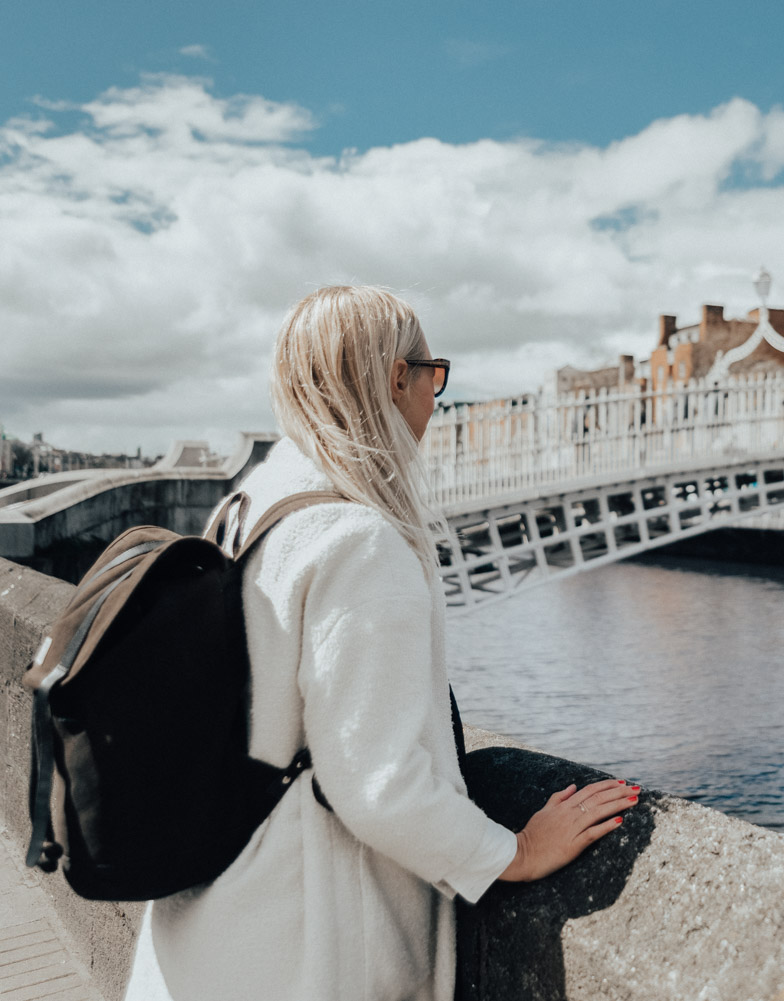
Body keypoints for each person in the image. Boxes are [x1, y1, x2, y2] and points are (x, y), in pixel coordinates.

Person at [124, 286, 637, 1001]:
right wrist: (513, 851)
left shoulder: (252, 502)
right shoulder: (357, 537)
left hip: (210, 923)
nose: (436, 397)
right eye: (435, 375)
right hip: (304, 946)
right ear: (397, 377)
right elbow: (377, 784)